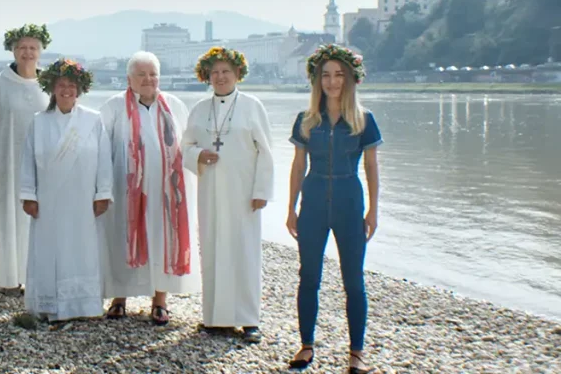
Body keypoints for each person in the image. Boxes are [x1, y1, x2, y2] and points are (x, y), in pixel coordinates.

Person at [286, 45, 382, 374]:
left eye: (339, 74)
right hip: (312, 200)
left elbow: (371, 167)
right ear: (318, 80)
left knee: (354, 280)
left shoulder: (364, 120)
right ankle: (306, 345)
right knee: (308, 277)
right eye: (326, 75)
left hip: (349, 200)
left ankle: (356, 353)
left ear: (351, 78)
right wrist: (290, 208)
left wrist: (373, 211)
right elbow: (298, 166)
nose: (332, 81)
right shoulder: (307, 120)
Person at [98, 51, 200, 326]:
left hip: (166, 194)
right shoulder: (112, 107)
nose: (148, 79)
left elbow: (189, 146)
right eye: (141, 74)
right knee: (121, 239)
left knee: (162, 241)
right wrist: (101, 188)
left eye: (153, 74)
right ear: (129, 79)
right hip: (124, 192)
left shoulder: (175, 106)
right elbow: (99, 149)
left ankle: (160, 302)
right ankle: (119, 299)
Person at [182, 47, 274, 342]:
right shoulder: (199, 109)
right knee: (212, 250)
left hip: (243, 192)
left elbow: (266, 152)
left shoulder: (252, 106)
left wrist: (261, 191)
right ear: (207, 76)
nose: (220, 77)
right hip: (210, 191)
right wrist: (198, 154)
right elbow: (184, 148)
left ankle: (249, 319)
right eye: (215, 72)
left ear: (237, 75)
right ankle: (215, 318)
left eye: (226, 72)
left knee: (244, 253)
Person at [19, 59, 112, 322]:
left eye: (72, 85)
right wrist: (29, 195)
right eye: (61, 85)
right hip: (48, 200)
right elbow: (27, 160)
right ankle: (48, 303)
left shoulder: (93, 121)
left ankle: (82, 306)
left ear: (79, 90)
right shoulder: (39, 122)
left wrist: (102, 193)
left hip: (82, 200)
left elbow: (104, 159)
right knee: (49, 248)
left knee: (81, 248)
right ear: (52, 88)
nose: (67, 90)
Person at [0, 24, 51, 292]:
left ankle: (35, 277)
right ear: (13, 50)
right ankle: (8, 278)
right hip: (6, 161)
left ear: (40, 52)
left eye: (33, 48)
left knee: (37, 220)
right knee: (7, 217)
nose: (27, 52)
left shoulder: (48, 84)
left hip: (41, 166)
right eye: (22, 48)